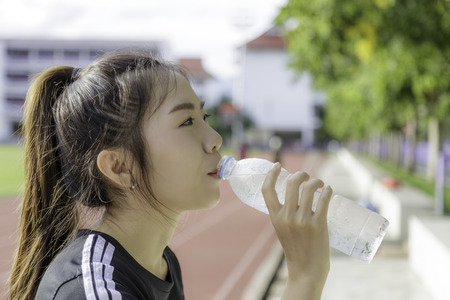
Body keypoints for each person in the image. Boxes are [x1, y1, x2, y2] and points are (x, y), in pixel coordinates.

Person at [9, 50, 332, 300]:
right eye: (187, 122)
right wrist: (305, 277)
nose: (215, 138)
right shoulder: (95, 288)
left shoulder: (159, 262)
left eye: (203, 116)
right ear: (119, 166)